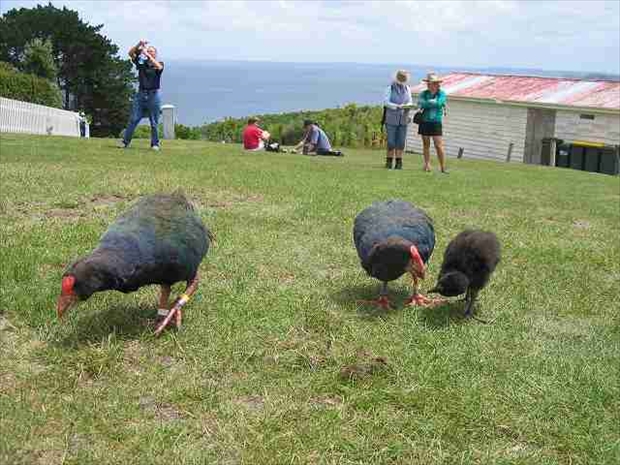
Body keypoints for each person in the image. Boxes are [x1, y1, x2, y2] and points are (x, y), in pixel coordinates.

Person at [119, 40, 164, 151]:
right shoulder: (141, 63)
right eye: (148, 51)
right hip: (141, 95)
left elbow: (159, 67)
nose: (149, 52)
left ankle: (155, 144)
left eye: (152, 51)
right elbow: (130, 54)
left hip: (154, 95)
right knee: (134, 119)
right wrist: (139, 45)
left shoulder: (160, 64)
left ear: (155, 54)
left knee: (154, 122)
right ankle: (125, 142)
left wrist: (147, 54)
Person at [418, 73, 448, 173]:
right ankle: (427, 165)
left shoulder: (441, 93)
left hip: (436, 122)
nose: (430, 85)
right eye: (429, 83)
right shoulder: (423, 93)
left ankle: (443, 167)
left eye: (432, 83)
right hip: (424, 121)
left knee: (438, 145)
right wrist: (432, 102)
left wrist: (428, 103)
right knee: (426, 144)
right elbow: (421, 103)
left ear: (436, 84)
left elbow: (439, 103)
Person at [383, 70, 412, 170]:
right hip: (391, 118)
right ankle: (389, 161)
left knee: (401, 141)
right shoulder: (389, 88)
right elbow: (386, 102)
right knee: (391, 141)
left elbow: (410, 102)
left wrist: (407, 106)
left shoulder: (407, 89)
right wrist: (397, 106)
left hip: (403, 119)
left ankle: (399, 163)